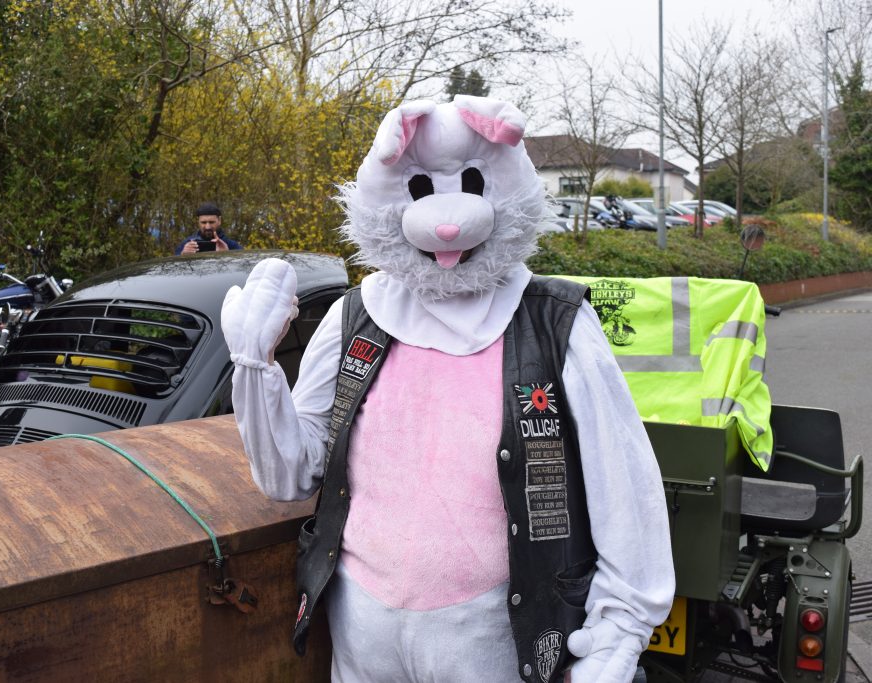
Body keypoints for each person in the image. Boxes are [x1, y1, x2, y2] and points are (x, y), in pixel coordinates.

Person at [220, 96, 673, 683]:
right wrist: (254, 370)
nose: (447, 219)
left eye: (473, 183)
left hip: (494, 635)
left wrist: (617, 634)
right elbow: (292, 475)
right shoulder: (356, 318)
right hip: (362, 629)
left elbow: (624, 486)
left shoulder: (554, 322)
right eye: (419, 192)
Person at [175, 202, 243, 255]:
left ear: (219, 220)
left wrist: (227, 255)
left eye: (211, 222)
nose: (208, 227)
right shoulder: (187, 245)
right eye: (203, 222)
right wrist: (182, 255)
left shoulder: (232, 246)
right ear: (198, 222)